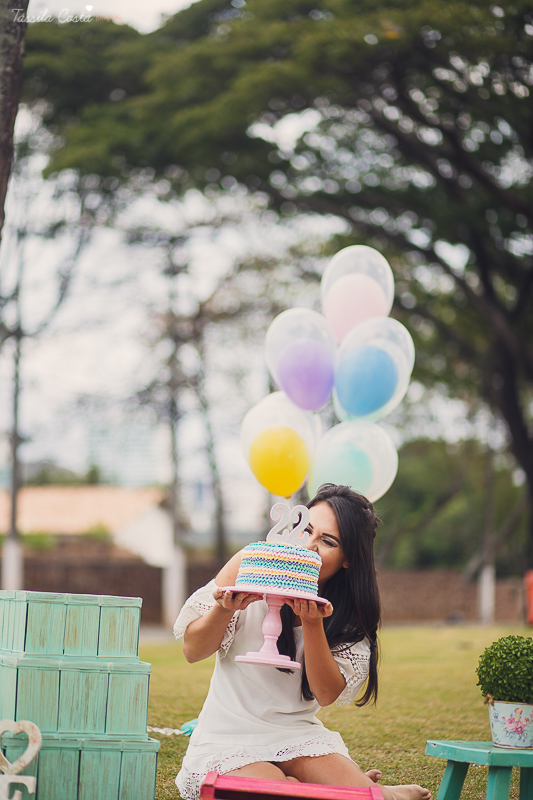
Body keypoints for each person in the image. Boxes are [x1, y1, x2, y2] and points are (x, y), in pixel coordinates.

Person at [174, 484, 431, 800]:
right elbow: (192, 650)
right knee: (289, 793)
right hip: (229, 738)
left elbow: (325, 693)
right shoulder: (252, 562)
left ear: (348, 558)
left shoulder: (347, 612)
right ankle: (344, 787)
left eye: (327, 541)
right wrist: (223, 609)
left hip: (297, 738)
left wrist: (312, 624)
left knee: (361, 798)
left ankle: (373, 791)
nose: (309, 546)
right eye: (306, 529)